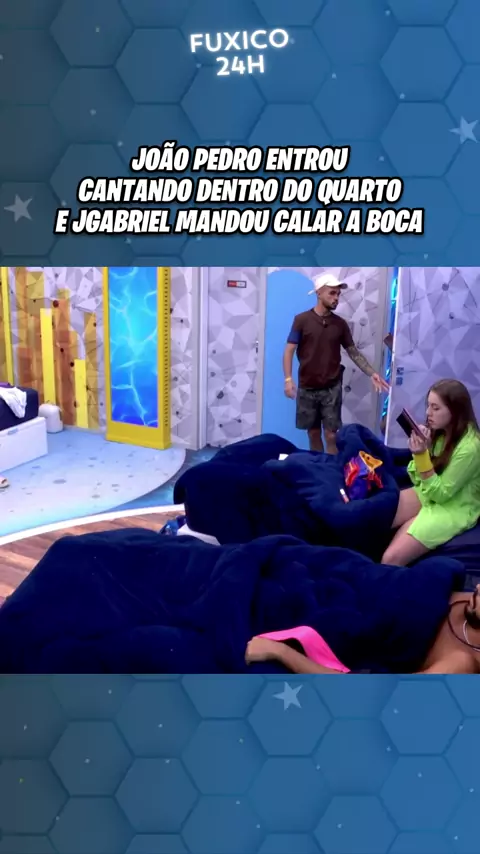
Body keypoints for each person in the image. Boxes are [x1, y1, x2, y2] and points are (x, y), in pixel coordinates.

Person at [244, 584, 480, 674]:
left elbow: (368, 697)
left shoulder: (461, 663)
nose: (478, 587)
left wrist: (281, 652)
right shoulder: (471, 602)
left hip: (343, 627)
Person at [283, 273, 389, 453]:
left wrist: (372, 373)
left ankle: (332, 466)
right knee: (313, 433)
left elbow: (353, 352)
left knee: (331, 435)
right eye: (332, 293)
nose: (336, 298)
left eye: (338, 294)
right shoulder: (301, 320)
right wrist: (288, 379)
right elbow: (289, 350)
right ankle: (318, 466)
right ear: (319, 293)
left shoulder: (340, 324)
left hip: (332, 387)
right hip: (307, 386)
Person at [382, 379, 480, 567]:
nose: (428, 413)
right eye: (428, 406)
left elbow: (440, 494)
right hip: (431, 492)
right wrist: (422, 451)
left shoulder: (471, 448)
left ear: (455, 411)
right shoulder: (441, 433)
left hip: (454, 507)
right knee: (379, 519)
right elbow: (417, 478)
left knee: (390, 559)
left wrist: (421, 456)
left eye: (436, 408)